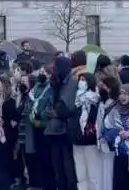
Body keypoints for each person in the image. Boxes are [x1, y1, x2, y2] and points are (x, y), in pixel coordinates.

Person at [45, 56, 78, 190]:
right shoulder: (58, 81)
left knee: (67, 167)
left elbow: (70, 106)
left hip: (66, 130)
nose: (53, 70)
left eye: (55, 67)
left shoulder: (72, 82)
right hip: (55, 130)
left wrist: (58, 113)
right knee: (57, 166)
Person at [72, 73, 101, 190]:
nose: (81, 82)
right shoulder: (76, 99)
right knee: (80, 173)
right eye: (80, 80)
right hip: (77, 139)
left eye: (84, 80)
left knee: (93, 173)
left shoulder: (96, 99)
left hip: (91, 140)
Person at [30, 64, 55, 190]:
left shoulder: (51, 87)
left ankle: (50, 185)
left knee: (47, 158)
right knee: (40, 156)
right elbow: (32, 100)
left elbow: (51, 105)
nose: (41, 74)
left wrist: (42, 115)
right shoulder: (37, 86)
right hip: (35, 125)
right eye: (40, 71)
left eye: (43, 72)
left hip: (46, 126)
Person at [95, 74, 119, 190]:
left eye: (104, 86)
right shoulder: (101, 104)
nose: (101, 88)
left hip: (111, 146)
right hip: (101, 144)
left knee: (110, 173)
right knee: (101, 173)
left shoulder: (116, 105)